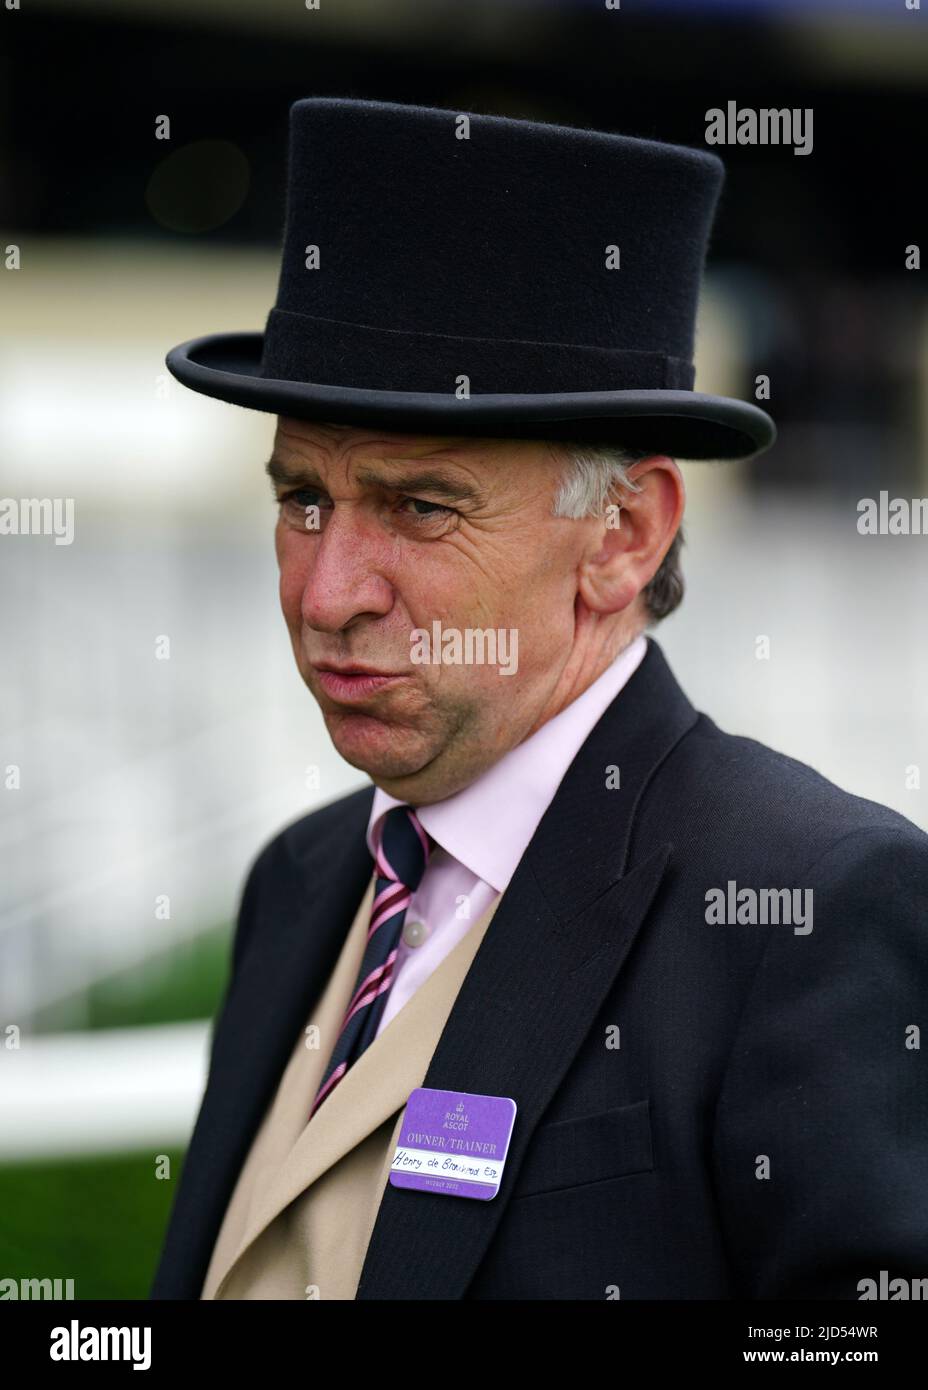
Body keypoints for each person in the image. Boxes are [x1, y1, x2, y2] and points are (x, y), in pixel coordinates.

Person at [150, 97, 928, 1300]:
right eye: (302, 498)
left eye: (420, 506)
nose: (328, 591)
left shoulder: (810, 905)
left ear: (622, 534)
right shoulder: (299, 880)